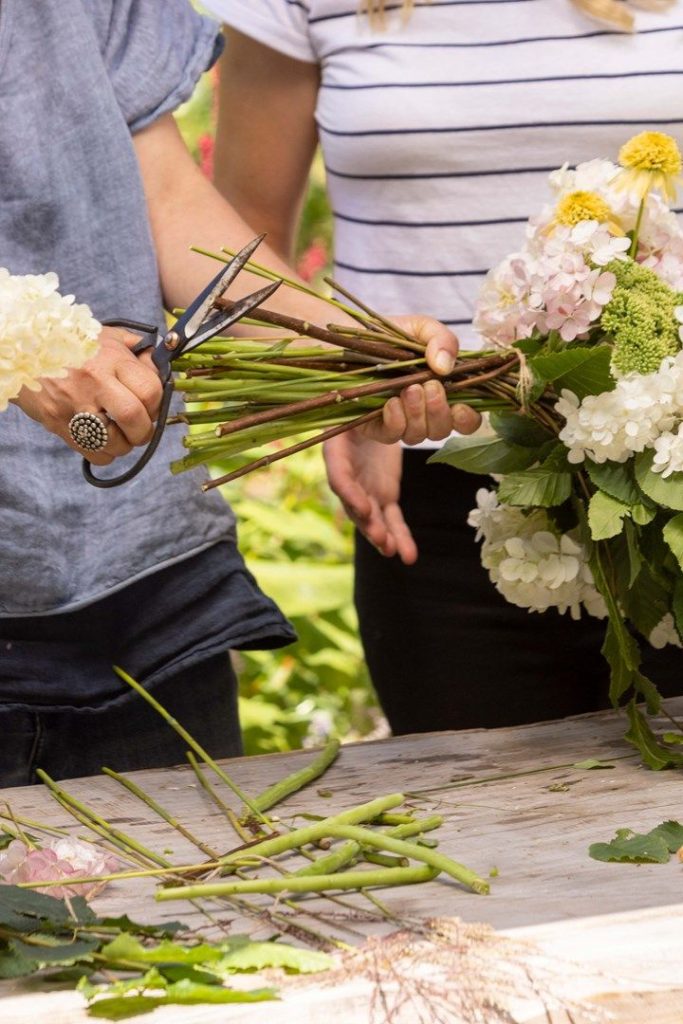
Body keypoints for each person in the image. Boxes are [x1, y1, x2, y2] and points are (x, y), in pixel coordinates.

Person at [0, 0, 471, 788]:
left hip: (145, 599)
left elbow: (168, 200)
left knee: (186, 906)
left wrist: (344, 358)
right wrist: (22, 338)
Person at [206, 0, 683, 734]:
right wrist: (340, 375)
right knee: (476, 820)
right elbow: (235, 249)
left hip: (671, 470)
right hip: (436, 483)